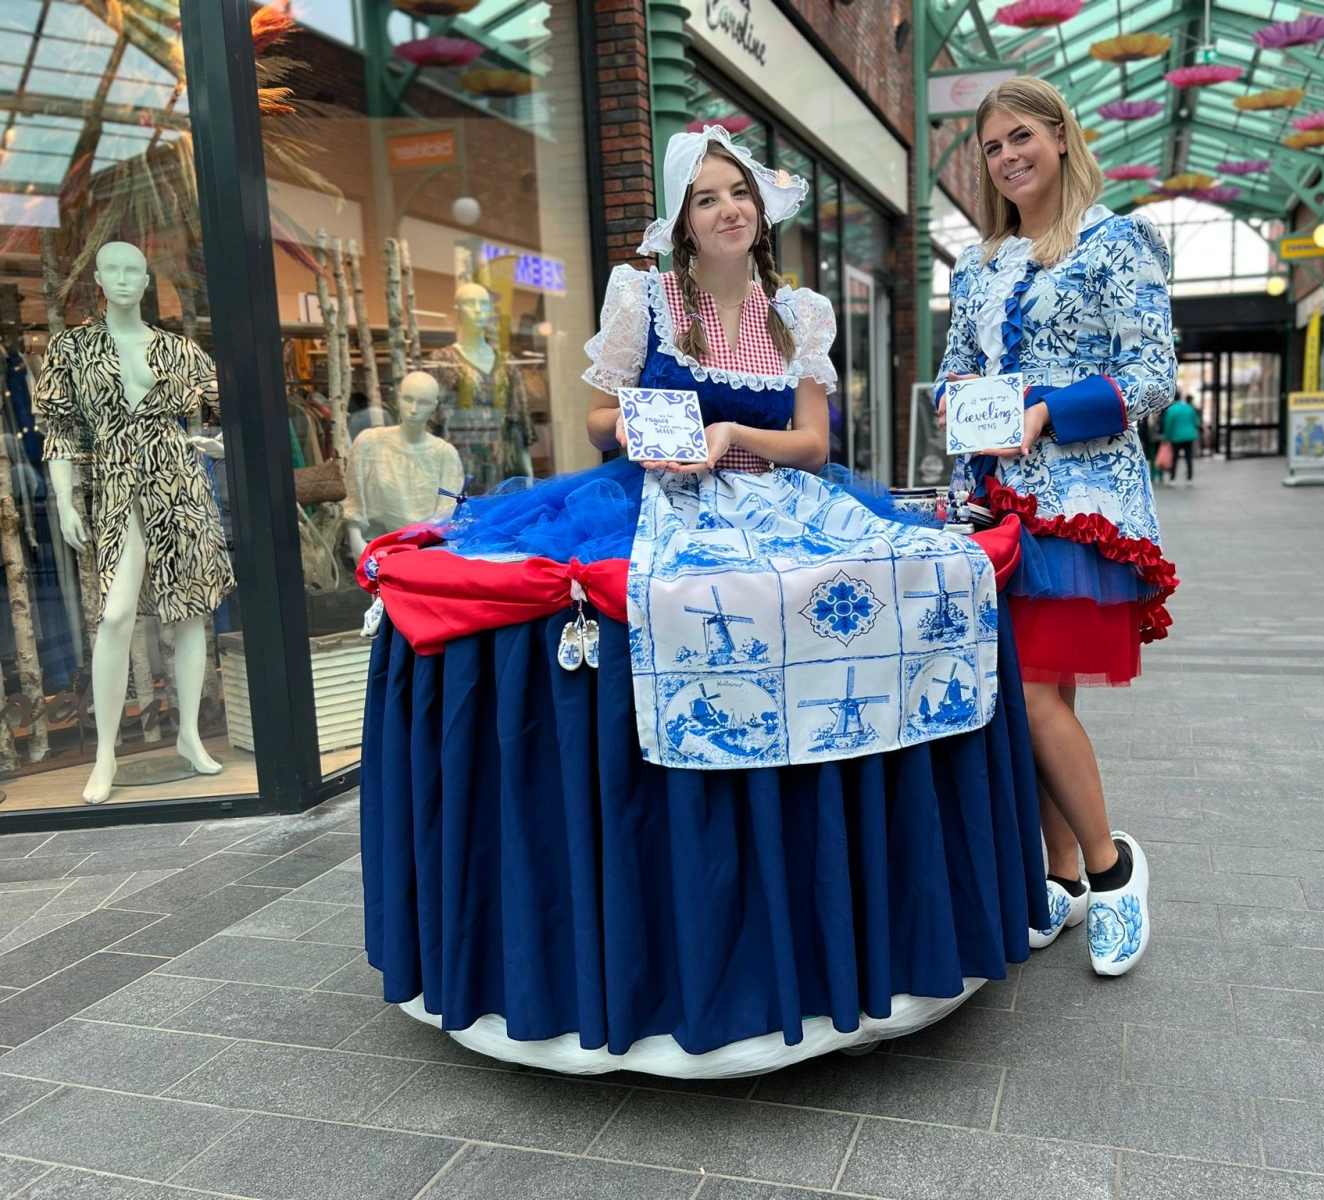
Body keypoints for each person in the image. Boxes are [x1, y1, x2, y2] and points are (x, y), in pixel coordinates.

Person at [356, 126, 1048, 1076]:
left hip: (775, 497)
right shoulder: (644, 298)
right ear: (682, 221)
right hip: (654, 498)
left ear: (761, 210)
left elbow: (813, 442)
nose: (728, 210)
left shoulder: (798, 313)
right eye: (707, 197)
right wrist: (653, 434)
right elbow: (598, 418)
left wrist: (730, 435)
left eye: (740, 194)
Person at [938, 76, 1176, 976]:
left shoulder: (1116, 242)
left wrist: (1049, 410)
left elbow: (1153, 372)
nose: (1008, 157)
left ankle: (1113, 873)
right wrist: (957, 403)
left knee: (1034, 690)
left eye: (1022, 137)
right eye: (993, 146)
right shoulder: (975, 264)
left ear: (1062, 137)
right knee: (1033, 696)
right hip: (993, 500)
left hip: (1082, 504)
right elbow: (955, 368)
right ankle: (1061, 875)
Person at [1162, 393, 1199, 485]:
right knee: (1188, 457)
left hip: (1176, 436)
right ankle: (1189, 478)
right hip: (1189, 436)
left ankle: (1172, 478)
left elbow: (1168, 425)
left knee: (1175, 458)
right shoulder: (1189, 408)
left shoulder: (1171, 409)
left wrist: (1167, 437)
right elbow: (1195, 422)